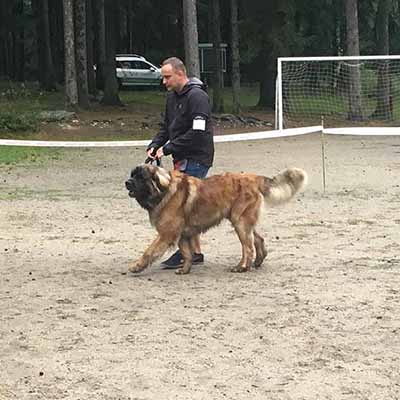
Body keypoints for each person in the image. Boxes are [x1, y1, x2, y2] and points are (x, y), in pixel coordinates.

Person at [146, 57, 214, 269]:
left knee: (183, 208)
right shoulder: (172, 98)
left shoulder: (198, 97)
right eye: (163, 78)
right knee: (187, 206)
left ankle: (187, 252)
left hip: (197, 157)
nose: (164, 82)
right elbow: (166, 127)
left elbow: (197, 133)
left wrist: (167, 148)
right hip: (180, 156)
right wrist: (155, 144)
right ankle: (196, 252)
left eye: (167, 77)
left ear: (180, 74)